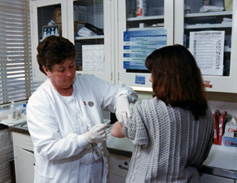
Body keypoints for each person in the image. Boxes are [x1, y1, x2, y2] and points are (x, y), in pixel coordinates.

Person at [27, 35, 137, 183]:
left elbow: (121, 92)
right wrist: (85, 139)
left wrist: (123, 98)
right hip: (62, 178)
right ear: (47, 70)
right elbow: (49, 148)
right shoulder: (39, 101)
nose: (70, 73)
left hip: (95, 174)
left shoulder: (88, 83)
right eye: (61, 69)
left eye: (72, 65)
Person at [111, 44, 214, 183]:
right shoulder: (205, 112)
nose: (150, 79)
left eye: (153, 73)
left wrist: (122, 100)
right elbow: (201, 157)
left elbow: (115, 131)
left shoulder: (147, 109)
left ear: (166, 77)